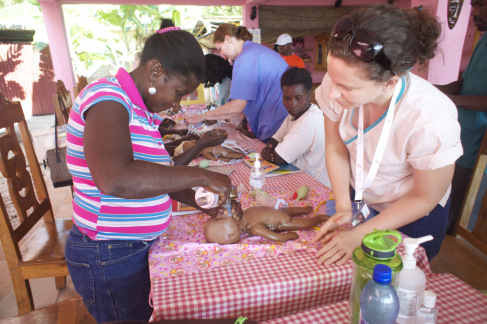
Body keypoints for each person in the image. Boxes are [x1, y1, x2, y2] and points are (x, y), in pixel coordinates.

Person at [64, 27, 235, 323]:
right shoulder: (107, 98)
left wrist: (205, 203)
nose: (178, 103)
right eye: (179, 92)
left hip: (127, 249)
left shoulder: (139, 110)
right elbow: (115, 178)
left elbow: (157, 177)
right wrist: (201, 177)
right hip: (109, 254)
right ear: (156, 71)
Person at [311, 4, 463, 265]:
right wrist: (345, 206)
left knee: (394, 280)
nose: (332, 94)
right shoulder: (336, 84)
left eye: (346, 87)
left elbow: (424, 197)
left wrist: (360, 233)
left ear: (390, 82)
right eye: (331, 78)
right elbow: (336, 149)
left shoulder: (431, 119)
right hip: (360, 196)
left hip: (412, 212)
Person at [187, 23, 289, 143]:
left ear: (228, 39)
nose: (222, 56)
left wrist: (201, 117)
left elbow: (237, 106)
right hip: (285, 121)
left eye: (220, 49)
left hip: (276, 125)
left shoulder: (245, 58)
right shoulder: (255, 51)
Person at [436, 0, 487, 234]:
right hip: (460, 134)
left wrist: (453, 101)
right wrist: (429, 89)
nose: (474, 12)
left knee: (458, 215)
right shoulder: (483, 40)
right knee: (443, 199)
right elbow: (464, 83)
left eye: (482, 5)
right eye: (474, 5)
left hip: (478, 146)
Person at [260, 67, 330, 187]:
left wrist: (267, 152)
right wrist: (268, 149)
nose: (292, 104)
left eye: (298, 98)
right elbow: (274, 140)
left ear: (309, 94)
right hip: (298, 179)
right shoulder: (296, 114)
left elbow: (279, 158)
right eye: (287, 98)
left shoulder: (310, 120)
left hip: (314, 185)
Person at [204, 205, 329, 244]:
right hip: (279, 217)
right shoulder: (249, 222)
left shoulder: (249, 223)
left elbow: (276, 237)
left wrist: (291, 236)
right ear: (232, 235)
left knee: (298, 218)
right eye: (220, 218)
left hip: (280, 217)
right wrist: (289, 235)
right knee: (297, 217)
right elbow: (276, 236)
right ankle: (312, 213)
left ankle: (314, 213)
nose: (220, 214)